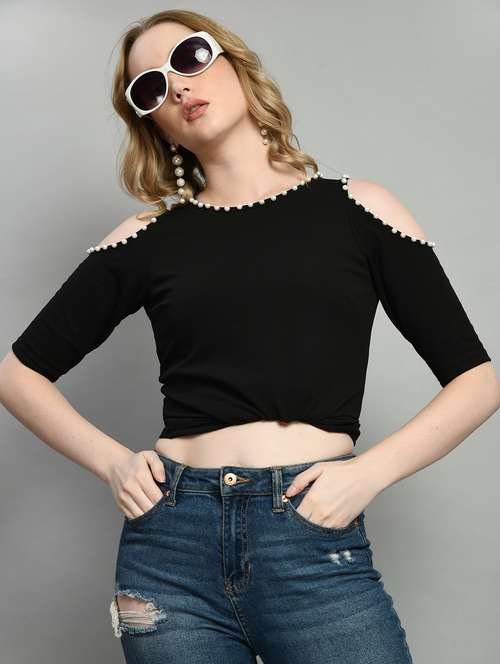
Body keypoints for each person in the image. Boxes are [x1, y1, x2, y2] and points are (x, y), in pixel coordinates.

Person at [1, 9, 499, 664]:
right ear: (151, 121)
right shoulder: (147, 238)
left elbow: (477, 381)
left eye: (189, 58)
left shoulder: (359, 210)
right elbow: (18, 373)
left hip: (311, 541)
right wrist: (113, 462)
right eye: (150, 87)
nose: (177, 86)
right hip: (170, 551)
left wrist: (370, 473)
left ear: (235, 63)